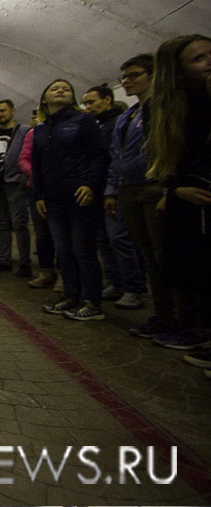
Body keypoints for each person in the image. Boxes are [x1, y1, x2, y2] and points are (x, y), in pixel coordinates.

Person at [144, 34, 211, 355]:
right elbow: (161, 154)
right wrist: (174, 187)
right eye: (198, 59)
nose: (208, 63)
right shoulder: (163, 108)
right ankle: (190, 325)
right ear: (178, 71)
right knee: (184, 258)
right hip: (186, 192)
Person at [105, 54, 172, 336]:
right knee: (147, 251)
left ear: (153, 76)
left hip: (153, 186)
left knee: (163, 253)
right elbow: (116, 156)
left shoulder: (164, 109)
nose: (128, 82)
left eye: (135, 75)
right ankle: (162, 314)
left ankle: (179, 317)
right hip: (128, 188)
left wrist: (168, 189)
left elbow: (171, 150)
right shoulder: (128, 116)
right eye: (125, 77)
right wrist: (112, 189)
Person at [33, 80, 107, 321]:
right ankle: (71, 296)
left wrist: (91, 184)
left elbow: (99, 155)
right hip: (54, 198)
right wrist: (39, 195)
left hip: (79, 195)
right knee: (63, 250)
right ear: (44, 99)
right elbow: (38, 165)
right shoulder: (42, 129)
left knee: (82, 248)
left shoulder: (83, 121)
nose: (61, 90)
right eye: (54, 88)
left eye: (66, 88)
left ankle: (91, 301)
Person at [82, 83, 145, 308]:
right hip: (96, 189)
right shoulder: (94, 125)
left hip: (115, 187)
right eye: (86, 103)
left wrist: (112, 189)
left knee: (119, 238)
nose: (88, 107)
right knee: (103, 239)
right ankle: (115, 282)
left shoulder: (118, 123)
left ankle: (133, 287)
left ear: (107, 100)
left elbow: (114, 158)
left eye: (92, 102)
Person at [0, 99, 33, 277]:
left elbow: (28, 155)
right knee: (1, 223)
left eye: (3, 111)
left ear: (13, 111)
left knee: (19, 223)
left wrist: (25, 178)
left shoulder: (25, 131)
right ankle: (5, 259)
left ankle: (25, 262)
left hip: (16, 182)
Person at [18, 107, 58, 289]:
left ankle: (66, 274)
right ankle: (46, 271)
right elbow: (24, 158)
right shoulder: (34, 134)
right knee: (42, 233)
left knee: (63, 235)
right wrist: (37, 175)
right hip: (37, 188)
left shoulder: (72, 128)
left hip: (62, 188)